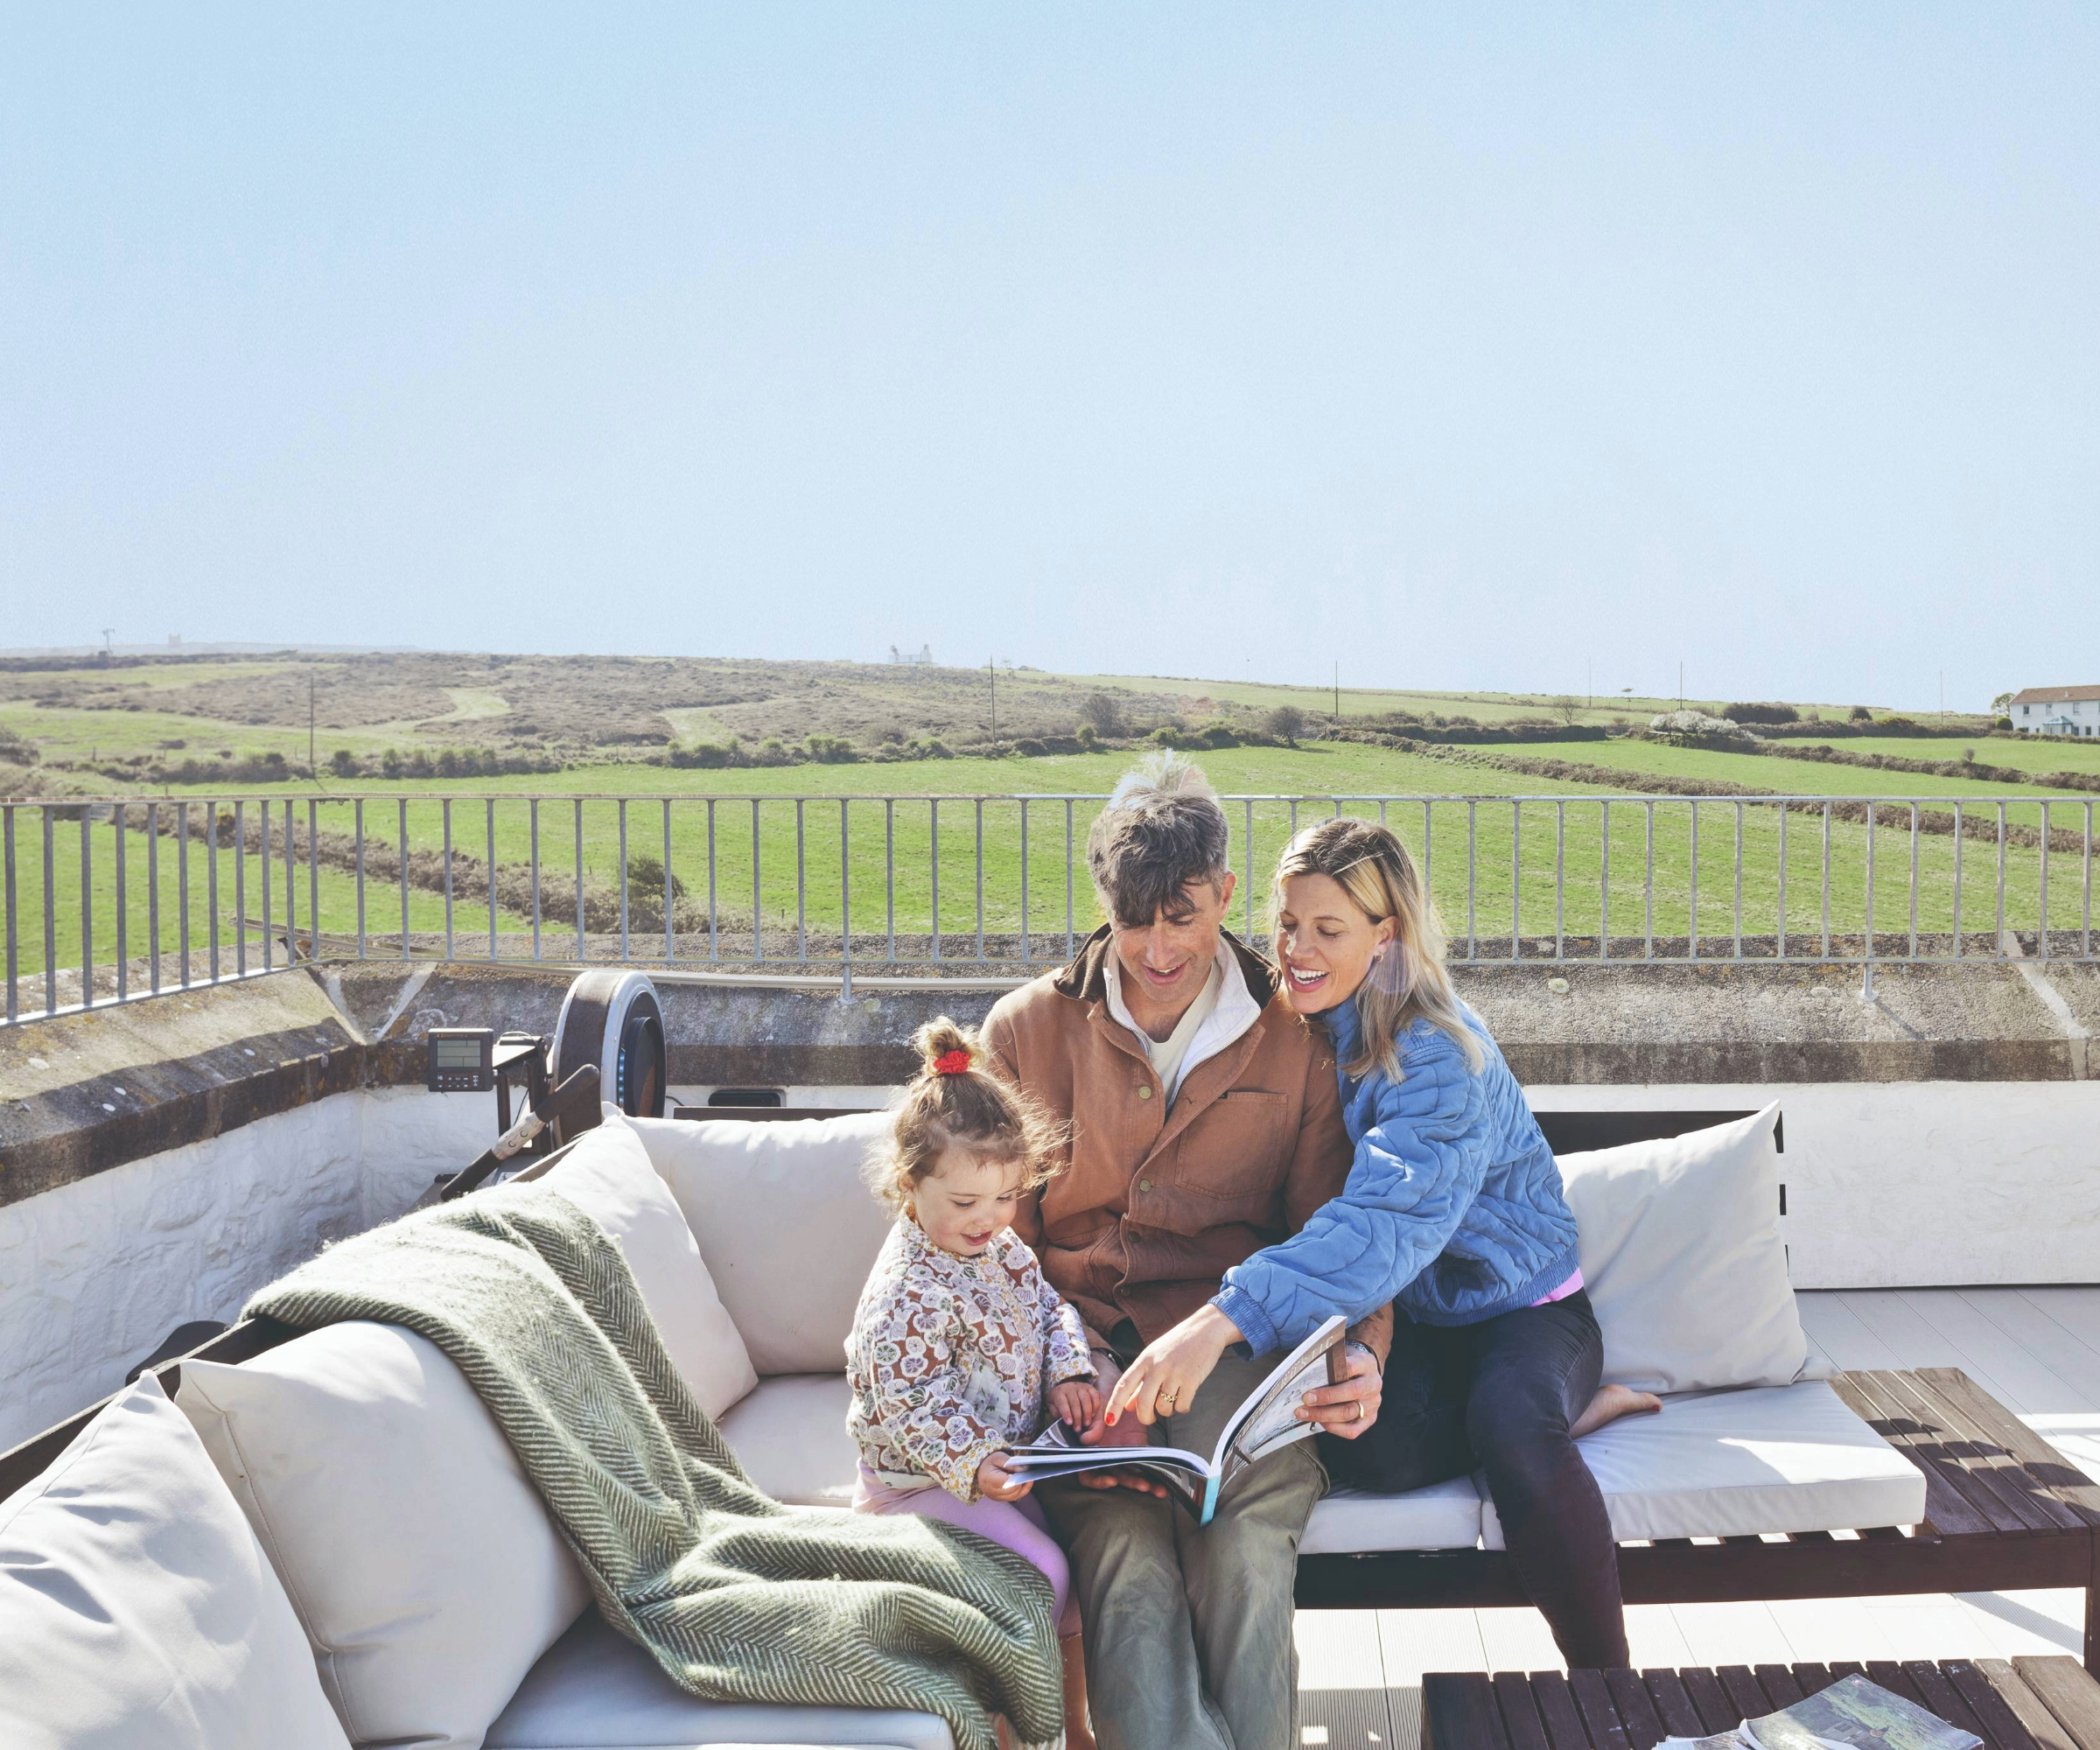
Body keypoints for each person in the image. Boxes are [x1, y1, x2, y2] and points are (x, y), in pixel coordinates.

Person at [1107, 816, 1658, 1670]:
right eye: (1288, 923)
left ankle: (1609, 1687)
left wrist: (1221, 1318)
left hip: (1522, 1308)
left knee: (1513, 1431)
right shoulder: (1305, 1021)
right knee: (1362, 1439)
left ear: (1386, 936)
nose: (1297, 948)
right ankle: (1544, 1413)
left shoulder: (1440, 1055)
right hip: (1418, 1316)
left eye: (1329, 929)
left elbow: (1381, 1226)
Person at [983, 754, 1386, 1750]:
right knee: (1125, 1562)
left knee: (1246, 1551)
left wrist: (1365, 1351)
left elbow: (1340, 1231)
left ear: (1228, 894)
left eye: (1184, 913)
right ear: (1101, 904)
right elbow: (993, 1253)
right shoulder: (1026, 1031)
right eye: (1133, 919)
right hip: (1081, 1378)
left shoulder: (1300, 1038)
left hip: (1242, 1370)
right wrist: (1074, 1363)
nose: (1158, 947)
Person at [846, 1018, 1104, 1750]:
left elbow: (1050, 1308)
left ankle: (1077, 1729)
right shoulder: (905, 1291)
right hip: (919, 1483)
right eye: (964, 1204)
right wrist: (973, 1461)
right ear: (910, 1185)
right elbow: (910, 1400)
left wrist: (1070, 1371)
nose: (988, 1220)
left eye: (1005, 1200)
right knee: (1042, 1573)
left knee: (1078, 1571)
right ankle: (1006, 1732)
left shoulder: (999, 1248)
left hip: (1003, 1467)